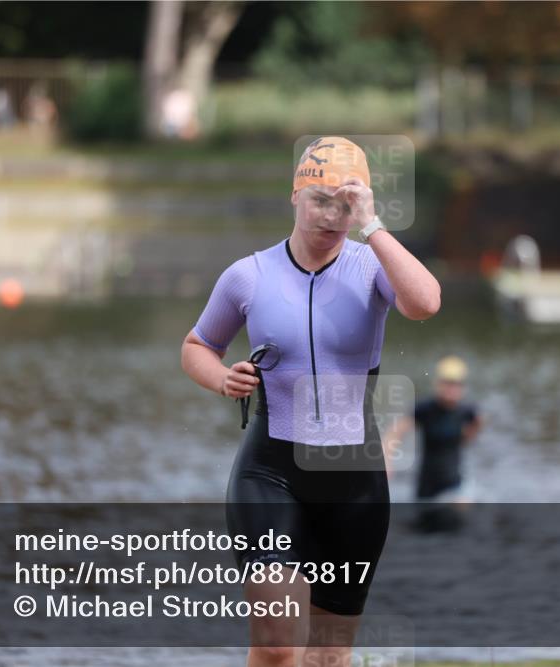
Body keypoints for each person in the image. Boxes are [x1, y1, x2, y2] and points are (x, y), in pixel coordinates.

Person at [181, 136, 440, 667]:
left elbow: (425, 303)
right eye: (320, 199)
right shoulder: (248, 275)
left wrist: (374, 227)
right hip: (272, 471)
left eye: (347, 203)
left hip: (354, 479)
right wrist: (220, 378)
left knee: (328, 654)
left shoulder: (372, 268)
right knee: (277, 645)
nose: (331, 215)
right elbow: (197, 346)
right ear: (294, 197)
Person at [384, 356, 482, 528]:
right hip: (426, 488)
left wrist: (466, 438)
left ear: (462, 387)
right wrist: (387, 461)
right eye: (447, 383)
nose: (451, 389)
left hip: (454, 485)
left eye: (456, 384)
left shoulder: (467, 411)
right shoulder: (425, 409)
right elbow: (394, 434)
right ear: (438, 384)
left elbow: (477, 424)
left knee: (459, 516)